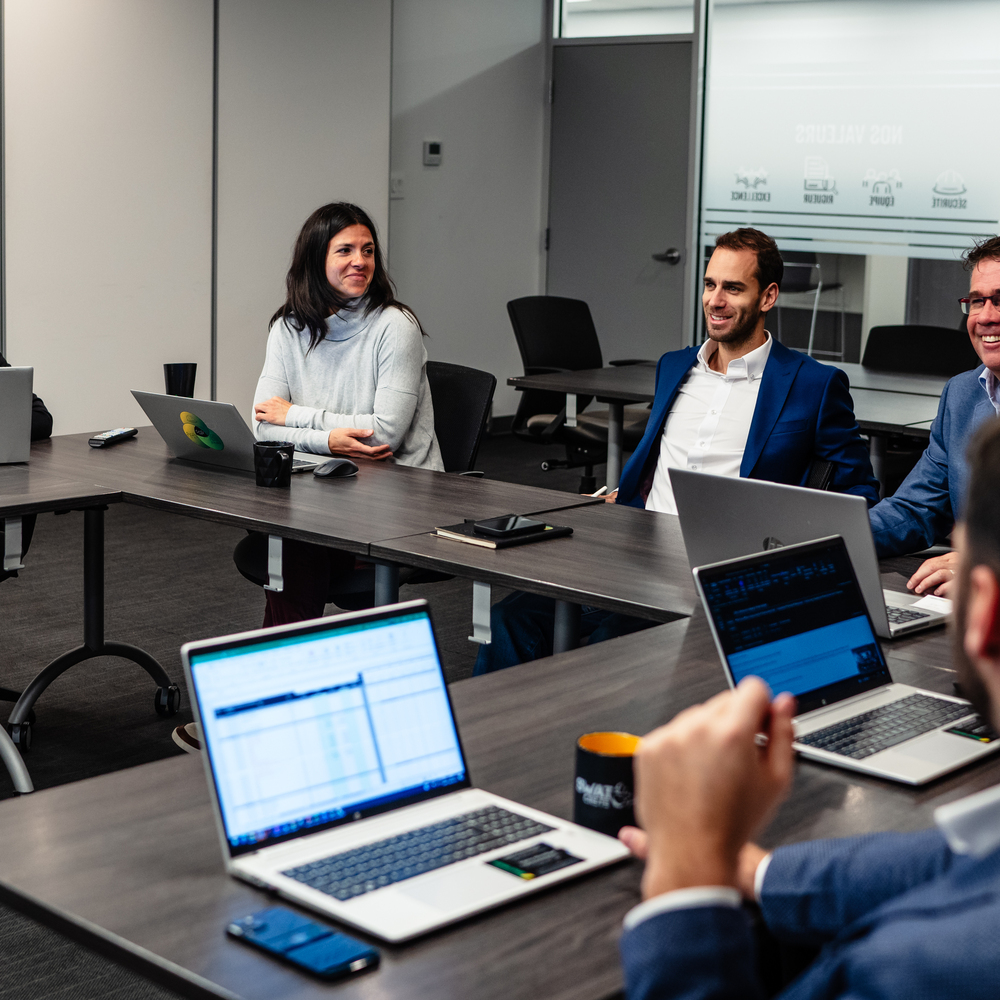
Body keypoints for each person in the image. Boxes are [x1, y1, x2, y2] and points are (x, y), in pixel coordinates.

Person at [618, 416, 1000, 1000]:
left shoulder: (915, 972)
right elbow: (957, 861)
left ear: (986, 617)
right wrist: (753, 872)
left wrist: (684, 892)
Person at [475, 228, 878, 674]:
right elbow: (655, 462)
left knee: (614, 643)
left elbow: (859, 490)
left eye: (733, 288)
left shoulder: (813, 384)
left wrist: (793, 540)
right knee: (508, 619)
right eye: (710, 285)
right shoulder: (674, 366)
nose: (715, 300)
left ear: (768, 297)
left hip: (724, 567)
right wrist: (623, 499)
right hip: (636, 550)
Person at [252, 202, 443, 626]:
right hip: (323, 490)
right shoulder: (287, 327)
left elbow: (383, 436)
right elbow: (264, 424)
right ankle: (294, 670)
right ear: (315, 259)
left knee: (290, 545)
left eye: (369, 250)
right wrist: (330, 441)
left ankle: (284, 672)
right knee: (284, 536)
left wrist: (297, 417)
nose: (361, 261)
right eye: (345, 251)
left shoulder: (395, 326)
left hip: (398, 496)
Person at [869, 234, 1000, 600]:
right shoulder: (962, 394)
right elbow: (917, 508)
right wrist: (831, 537)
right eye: (977, 301)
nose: (986, 316)